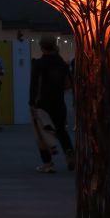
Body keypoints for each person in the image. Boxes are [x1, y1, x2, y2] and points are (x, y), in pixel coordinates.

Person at [30, 34, 74, 173]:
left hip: (43, 103)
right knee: (61, 129)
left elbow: (34, 85)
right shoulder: (61, 62)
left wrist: (32, 102)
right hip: (59, 102)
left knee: (41, 133)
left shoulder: (39, 63)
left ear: (42, 47)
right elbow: (69, 82)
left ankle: (48, 163)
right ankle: (69, 151)